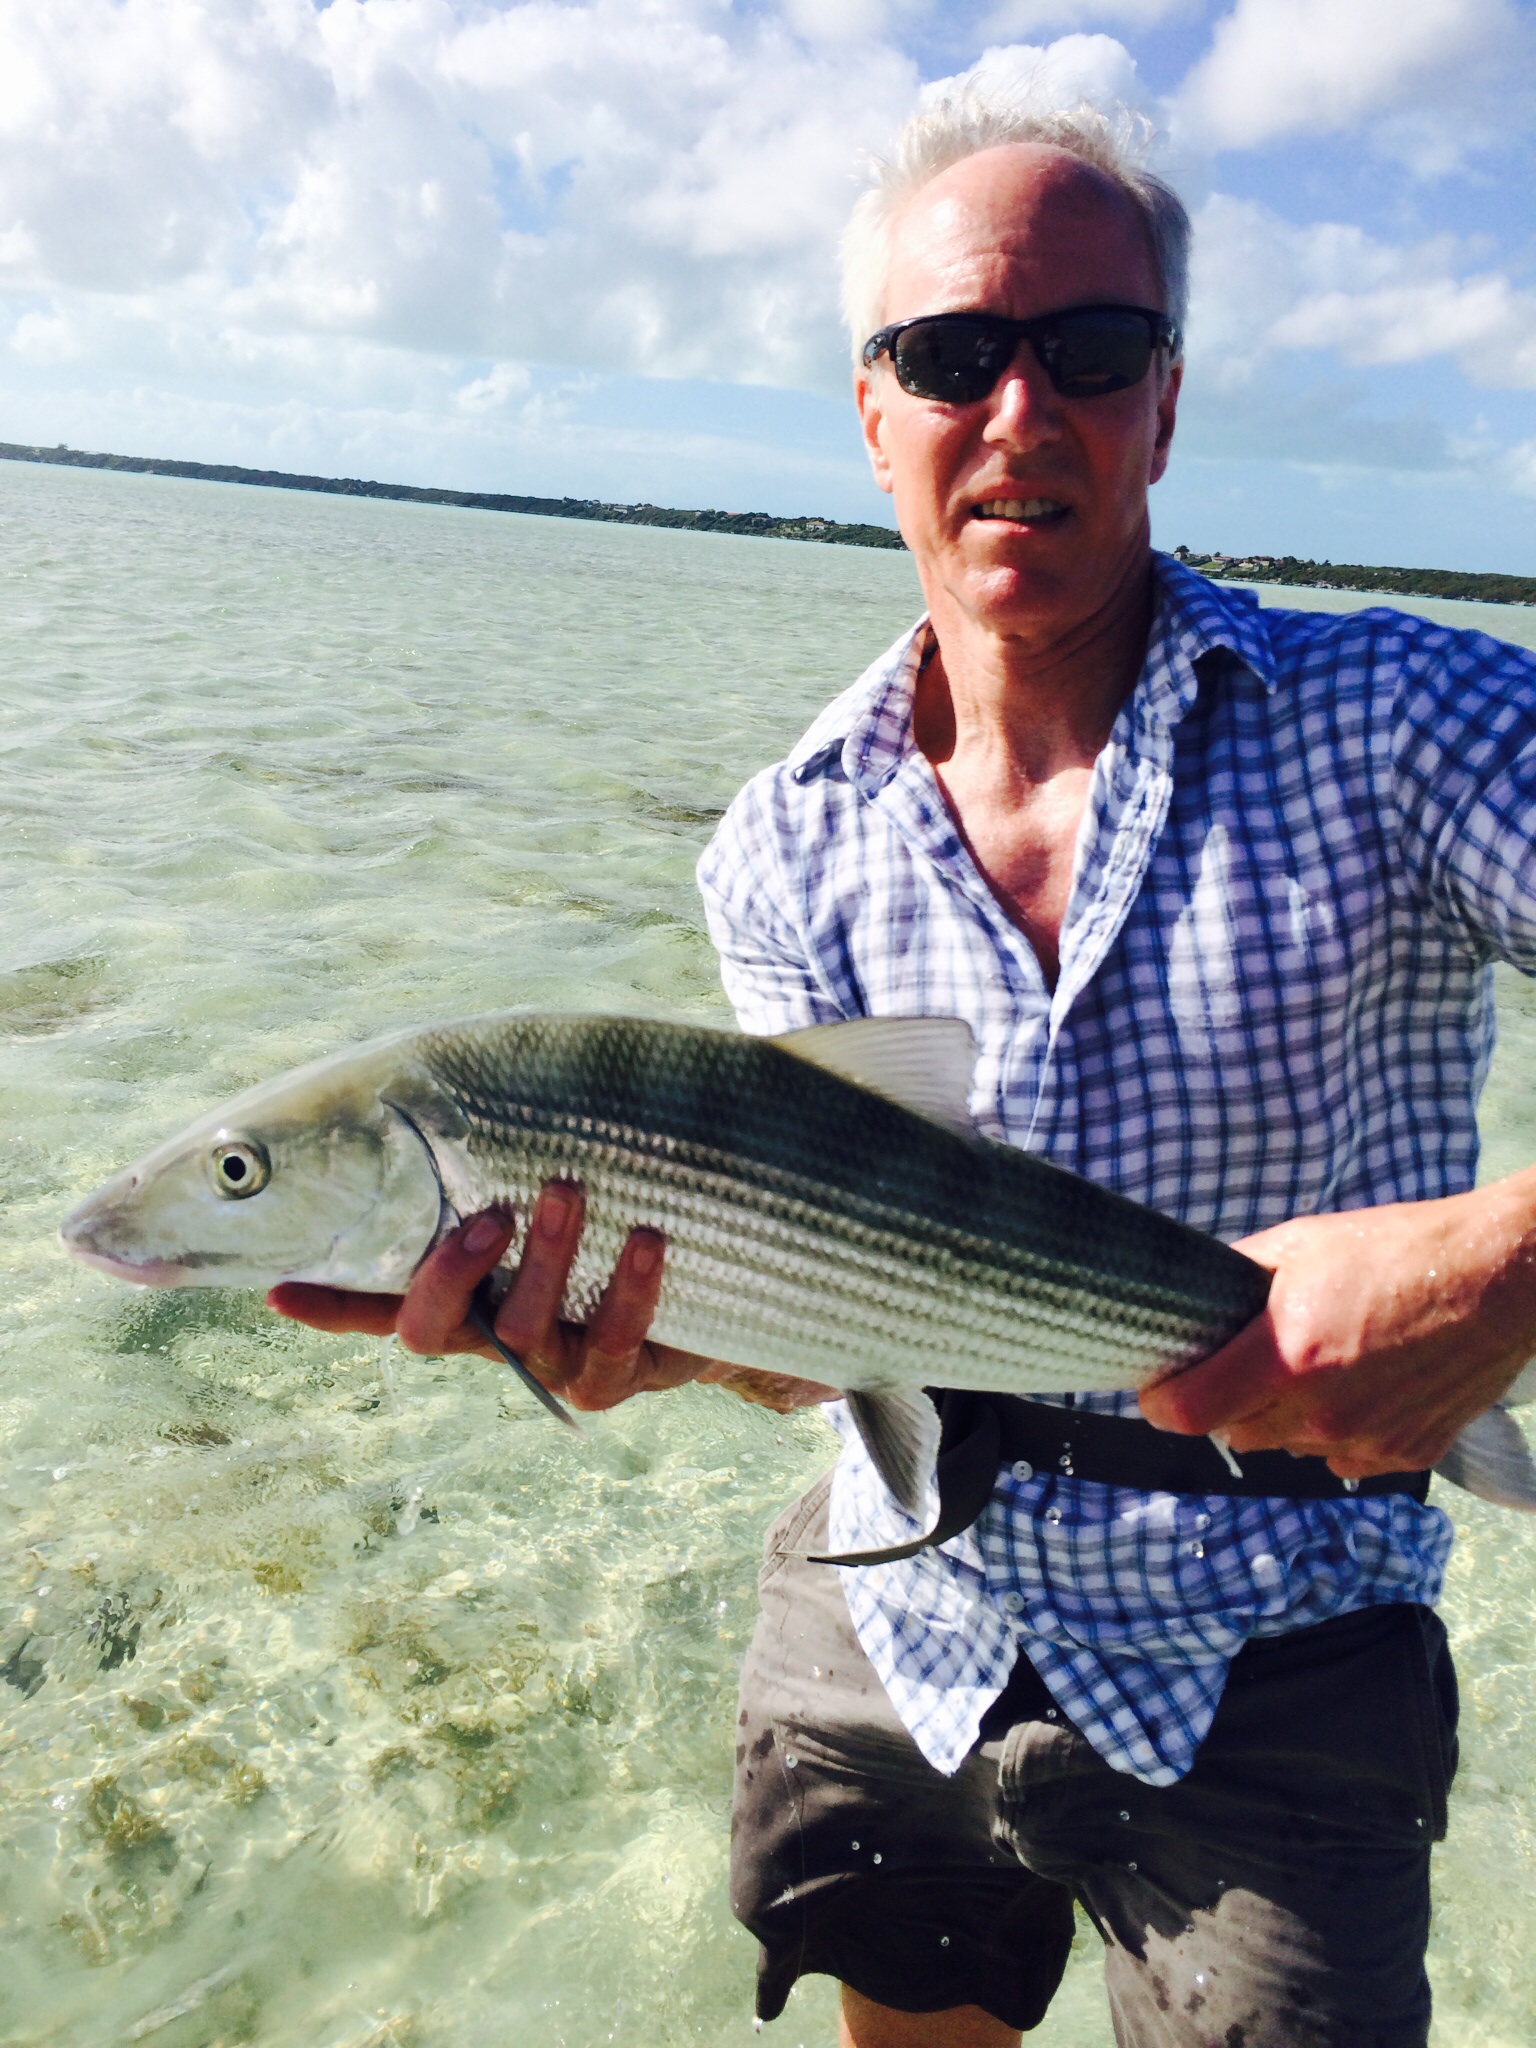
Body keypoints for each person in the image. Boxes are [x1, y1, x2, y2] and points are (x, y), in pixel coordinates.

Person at [270, 97, 1536, 2048]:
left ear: (1169, 401)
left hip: (1283, 1623)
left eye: (1088, 349)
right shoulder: (778, 845)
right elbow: (840, 1307)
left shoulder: (1408, 721)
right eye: (952, 355)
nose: (1020, 407)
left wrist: (1509, 1266)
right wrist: (654, 1335)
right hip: (903, 1582)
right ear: (873, 414)